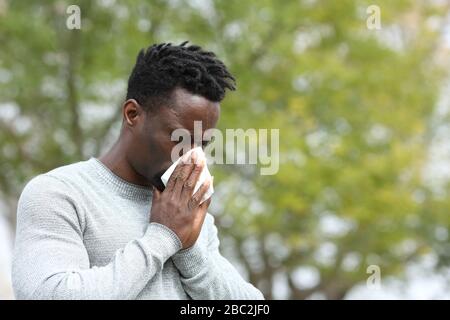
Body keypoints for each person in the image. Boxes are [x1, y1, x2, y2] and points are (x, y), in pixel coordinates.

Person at [12, 42, 264, 300]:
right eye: (180, 138)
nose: (192, 157)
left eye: (203, 143)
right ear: (132, 114)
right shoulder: (59, 194)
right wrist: (163, 238)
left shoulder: (188, 211)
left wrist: (189, 252)